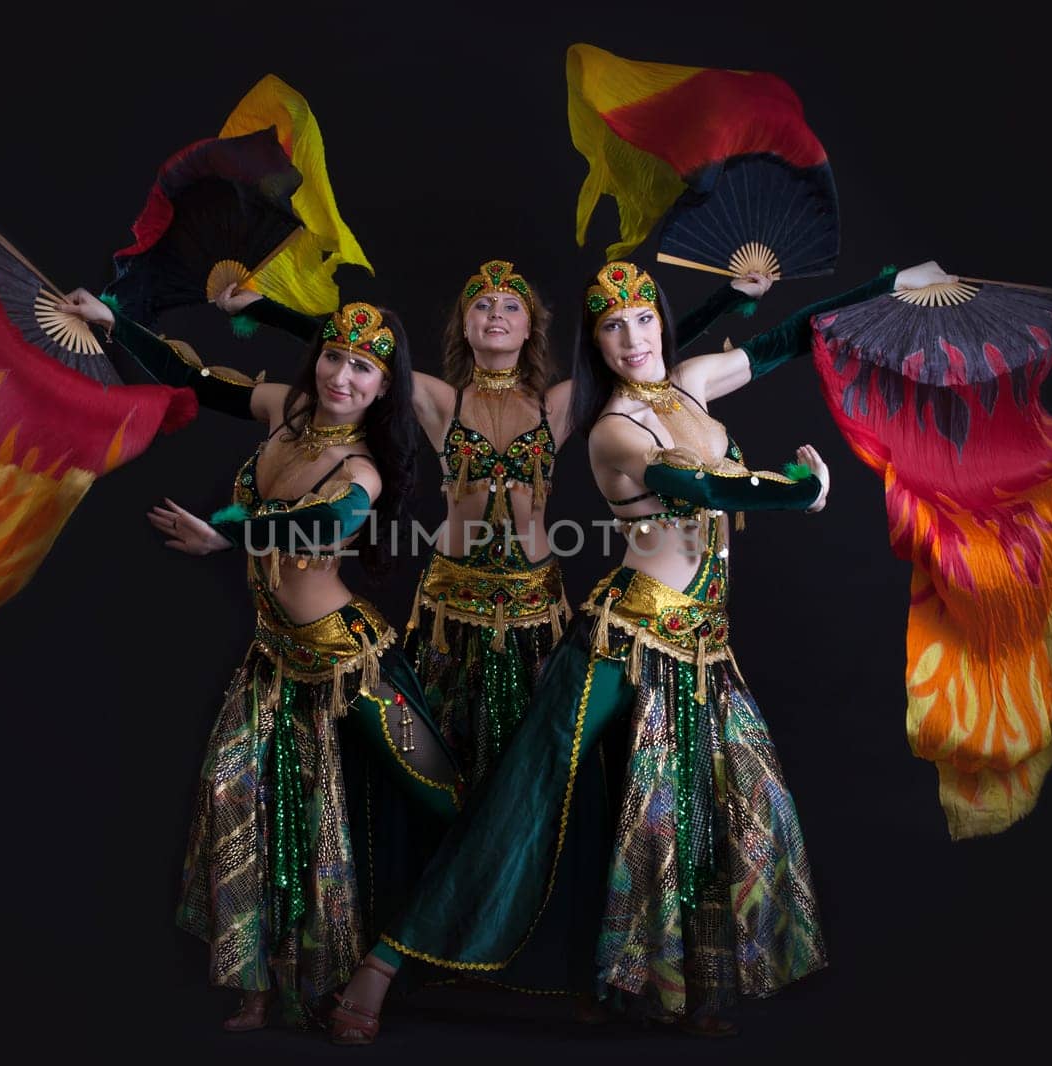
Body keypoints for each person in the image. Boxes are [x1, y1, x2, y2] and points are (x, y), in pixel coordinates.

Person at [322, 258, 952, 1042]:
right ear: (595, 342)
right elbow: (699, 490)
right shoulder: (617, 424)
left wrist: (888, 281)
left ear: (661, 317)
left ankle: (668, 986)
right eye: (611, 326)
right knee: (527, 796)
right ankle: (381, 967)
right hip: (623, 637)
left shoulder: (694, 380)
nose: (631, 336)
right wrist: (797, 491)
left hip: (703, 643)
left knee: (689, 808)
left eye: (642, 317)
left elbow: (795, 335)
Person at [57, 288, 465, 1032]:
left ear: (383, 389)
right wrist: (118, 326)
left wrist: (226, 534)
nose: (342, 377)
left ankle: (383, 967)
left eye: (363, 370)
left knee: (442, 804)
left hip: (350, 666)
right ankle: (259, 982)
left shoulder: (362, 466)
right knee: (235, 799)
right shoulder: (289, 412)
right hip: (273, 657)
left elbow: (322, 520)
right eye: (334, 358)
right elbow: (200, 381)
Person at [215, 261, 771, 791]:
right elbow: (358, 344)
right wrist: (263, 309)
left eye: (511, 305)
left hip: (536, 611)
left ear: (531, 327)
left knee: (535, 765)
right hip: (448, 613)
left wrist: (728, 299)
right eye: (482, 304)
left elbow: (641, 354)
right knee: (443, 760)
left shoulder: (560, 403)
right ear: (465, 324)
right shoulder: (439, 400)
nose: (497, 313)